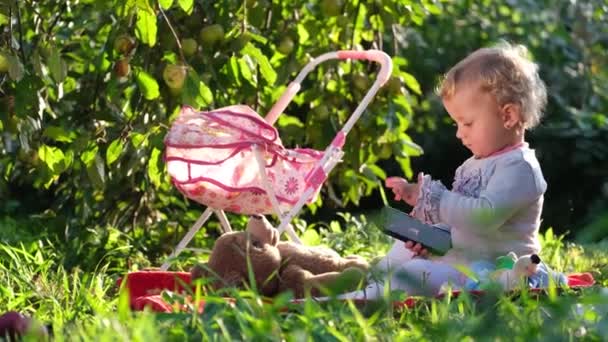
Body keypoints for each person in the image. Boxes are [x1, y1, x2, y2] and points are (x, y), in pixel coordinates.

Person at [342, 42, 549, 298]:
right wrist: (431, 238)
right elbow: (458, 224)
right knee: (404, 247)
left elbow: (483, 218)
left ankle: (365, 298)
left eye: (467, 123)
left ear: (508, 116)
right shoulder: (473, 164)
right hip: (461, 262)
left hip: (491, 273)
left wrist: (435, 199)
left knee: (417, 272)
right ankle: (369, 283)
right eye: (456, 123)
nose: (459, 134)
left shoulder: (521, 169)